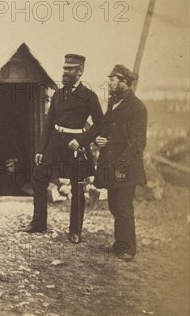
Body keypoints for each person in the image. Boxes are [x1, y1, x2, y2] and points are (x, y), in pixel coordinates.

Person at [24, 54, 103, 243]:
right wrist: (41, 150)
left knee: (77, 187)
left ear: (80, 71)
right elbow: (49, 123)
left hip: (75, 146)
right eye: (64, 68)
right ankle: (39, 223)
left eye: (70, 69)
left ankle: (75, 231)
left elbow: (100, 124)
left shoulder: (89, 96)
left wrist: (82, 140)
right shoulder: (58, 94)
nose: (65, 72)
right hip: (54, 145)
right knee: (38, 177)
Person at [94, 65, 147, 262]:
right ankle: (120, 243)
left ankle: (128, 248)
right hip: (112, 165)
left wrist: (122, 166)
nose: (109, 83)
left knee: (124, 207)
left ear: (124, 83)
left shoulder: (137, 107)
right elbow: (109, 132)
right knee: (115, 206)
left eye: (113, 79)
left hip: (126, 168)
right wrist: (100, 139)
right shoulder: (114, 104)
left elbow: (138, 142)